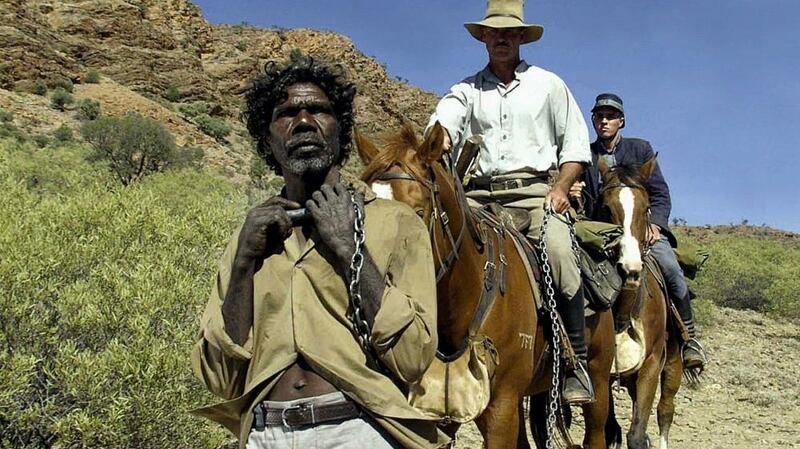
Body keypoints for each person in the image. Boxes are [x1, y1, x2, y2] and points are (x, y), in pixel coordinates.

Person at [191, 56, 449, 449]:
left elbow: (413, 358)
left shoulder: (396, 223)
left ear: (340, 131)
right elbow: (219, 377)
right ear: (267, 139)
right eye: (287, 113)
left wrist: (348, 248)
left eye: (319, 110)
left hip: (360, 429)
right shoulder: (251, 237)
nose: (305, 121)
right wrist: (244, 262)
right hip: (265, 434)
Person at [426, 0, 594, 404]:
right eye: (493, 31)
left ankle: (575, 361)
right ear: (483, 36)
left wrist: (561, 186)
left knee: (559, 253)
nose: (500, 38)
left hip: (536, 193)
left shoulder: (549, 85)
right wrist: (440, 137)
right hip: (478, 195)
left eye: (509, 32)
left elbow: (575, 149)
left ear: (521, 37)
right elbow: (444, 121)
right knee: (430, 244)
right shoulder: (466, 90)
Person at [577, 92, 707, 369]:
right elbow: (583, 201)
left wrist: (655, 225)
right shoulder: (584, 156)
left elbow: (660, 194)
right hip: (601, 233)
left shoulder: (641, 150)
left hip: (641, 231)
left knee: (671, 270)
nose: (604, 121)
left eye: (610, 117)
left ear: (621, 121)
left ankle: (689, 339)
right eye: (599, 116)